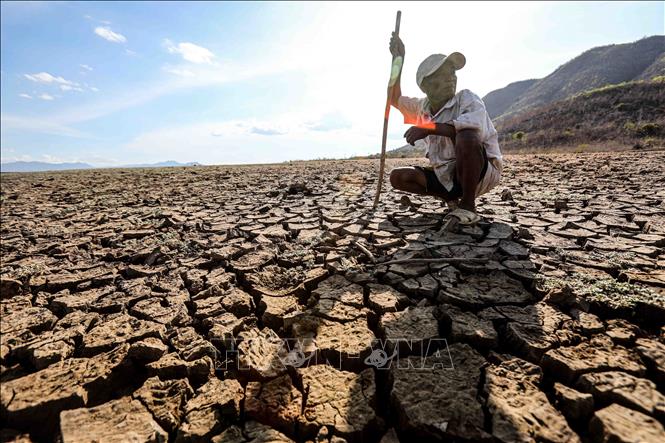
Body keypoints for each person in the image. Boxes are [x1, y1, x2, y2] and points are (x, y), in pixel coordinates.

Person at [388, 32, 502, 225]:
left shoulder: (466, 98)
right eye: (442, 75)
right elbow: (393, 98)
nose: (451, 78)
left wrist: (428, 128)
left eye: (452, 73)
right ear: (425, 86)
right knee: (399, 177)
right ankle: (450, 198)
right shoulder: (421, 107)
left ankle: (468, 206)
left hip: (480, 173)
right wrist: (398, 59)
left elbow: (469, 131)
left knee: (466, 136)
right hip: (446, 177)